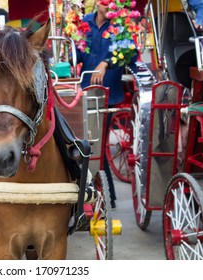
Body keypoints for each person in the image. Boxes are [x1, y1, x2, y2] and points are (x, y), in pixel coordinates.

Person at [75, 0, 139, 209]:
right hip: (83, 93)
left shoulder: (121, 25)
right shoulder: (83, 23)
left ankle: (103, 195)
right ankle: (100, 195)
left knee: (97, 147)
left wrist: (106, 62)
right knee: (86, 146)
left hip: (108, 96)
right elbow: (77, 53)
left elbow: (131, 54)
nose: (108, 5)